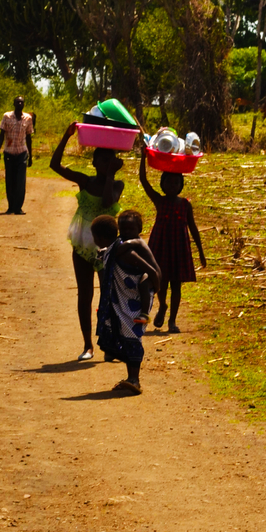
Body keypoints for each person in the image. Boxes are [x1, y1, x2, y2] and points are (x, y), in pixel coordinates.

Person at [50, 121, 125, 361]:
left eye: (109, 161)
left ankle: (109, 342)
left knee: (107, 294)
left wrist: (112, 174)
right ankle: (87, 345)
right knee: (85, 294)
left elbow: (106, 203)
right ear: (93, 163)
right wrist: (66, 135)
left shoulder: (116, 184)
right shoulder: (86, 180)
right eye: (102, 161)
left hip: (106, 249)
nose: (105, 165)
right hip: (82, 245)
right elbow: (54, 165)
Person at [90, 210, 161, 395]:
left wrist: (157, 284)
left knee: (131, 336)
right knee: (125, 334)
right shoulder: (115, 248)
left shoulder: (128, 249)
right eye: (124, 229)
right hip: (126, 298)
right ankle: (131, 378)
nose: (127, 232)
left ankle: (134, 379)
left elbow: (150, 270)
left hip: (140, 292)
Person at [138, 152, 206, 332]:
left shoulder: (185, 205)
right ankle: (163, 306)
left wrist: (200, 251)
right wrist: (143, 157)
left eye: (176, 183)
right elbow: (143, 181)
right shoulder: (159, 201)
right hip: (161, 247)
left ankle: (172, 321)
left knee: (176, 284)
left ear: (181, 186)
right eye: (168, 182)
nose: (172, 186)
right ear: (162, 184)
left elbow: (193, 228)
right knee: (161, 282)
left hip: (179, 248)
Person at [0, 96, 34, 214]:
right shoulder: (7, 117)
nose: (19, 103)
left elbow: (28, 137)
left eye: (21, 102)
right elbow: (2, 134)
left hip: (22, 152)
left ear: (24, 104)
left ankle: (18, 208)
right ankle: (10, 207)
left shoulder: (28, 118)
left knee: (20, 181)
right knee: (10, 180)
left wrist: (31, 156)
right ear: (14, 104)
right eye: (17, 102)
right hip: (9, 152)